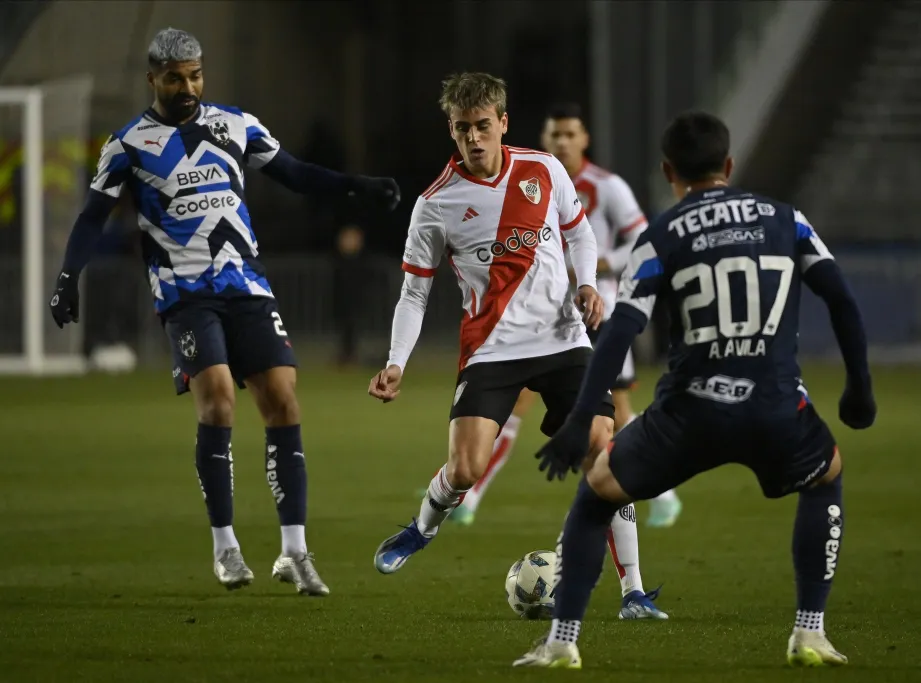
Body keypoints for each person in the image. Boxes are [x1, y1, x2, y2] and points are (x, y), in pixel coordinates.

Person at [514, 111, 877, 668]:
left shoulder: (663, 233)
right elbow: (844, 302)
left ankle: (562, 642)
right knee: (826, 476)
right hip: (775, 406)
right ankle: (809, 632)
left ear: (668, 171)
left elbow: (620, 331)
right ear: (728, 165)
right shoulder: (787, 220)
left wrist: (582, 415)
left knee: (597, 491)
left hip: (690, 414)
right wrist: (860, 389)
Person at [48, 27, 400, 595]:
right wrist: (68, 278)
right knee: (218, 398)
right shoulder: (128, 144)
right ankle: (226, 547)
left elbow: (295, 173)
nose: (187, 86)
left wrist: (357, 187)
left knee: (283, 398)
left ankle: (294, 552)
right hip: (184, 293)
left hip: (248, 287)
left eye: (195, 75)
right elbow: (92, 217)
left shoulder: (235, 124)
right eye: (174, 78)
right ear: (152, 79)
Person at [368, 72, 667, 620]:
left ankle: (633, 593)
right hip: (491, 349)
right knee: (465, 469)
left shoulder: (543, 169)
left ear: (503, 123)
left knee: (606, 452)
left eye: (484, 126)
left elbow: (579, 232)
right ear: (451, 131)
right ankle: (421, 528)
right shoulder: (435, 204)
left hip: (562, 341)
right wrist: (395, 363)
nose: (474, 139)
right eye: (463, 130)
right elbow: (414, 292)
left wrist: (583, 283)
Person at [454, 102, 683, 532]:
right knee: (518, 402)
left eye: (569, 135)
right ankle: (471, 495)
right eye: (554, 135)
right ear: (544, 138)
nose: (561, 142)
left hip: (599, 312)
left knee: (616, 413)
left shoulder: (607, 186)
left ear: (584, 140)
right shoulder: (529, 177)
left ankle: (661, 494)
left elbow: (641, 238)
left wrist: (598, 268)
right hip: (543, 316)